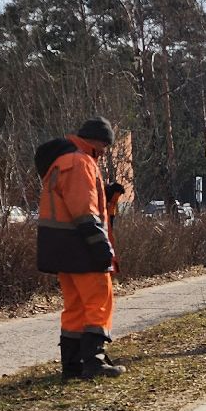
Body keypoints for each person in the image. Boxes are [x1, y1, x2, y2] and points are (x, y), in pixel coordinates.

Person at [35, 117, 125, 379]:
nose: (105, 152)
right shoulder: (80, 162)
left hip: (61, 248)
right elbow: (84, 213)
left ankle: (72, 365)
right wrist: (101, 249)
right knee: (99, 301)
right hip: (82, 247)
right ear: (97, 141)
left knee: (74, 307)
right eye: (105, 147)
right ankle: (94, 362)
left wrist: (104, 196)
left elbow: (72, 203)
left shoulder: (61, 161)